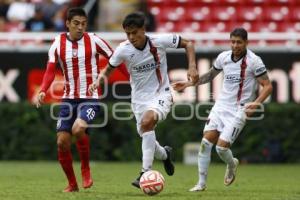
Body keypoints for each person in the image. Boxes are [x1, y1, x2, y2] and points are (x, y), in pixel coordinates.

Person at [88, 12, 199, 188]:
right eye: (128, 34)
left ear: (143, 29)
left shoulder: (159, 41)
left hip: (161, 94)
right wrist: (98, 81)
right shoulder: (123, 49)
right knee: (147, 134)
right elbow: (109, 69)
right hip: (138, 100)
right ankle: (164, 154)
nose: (131, 37)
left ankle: (144, 173)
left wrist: (192, 66)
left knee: (148, 122)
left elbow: (188, 43)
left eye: (134, 33)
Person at [172, 28, 273, 192]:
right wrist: (189, 84)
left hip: (239, 110)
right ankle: (201, 184)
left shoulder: (254, 61)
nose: (235, 45)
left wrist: (256, 103)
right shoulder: (223, 57)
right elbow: (210, 76)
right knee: (205, 143)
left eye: (239, 42)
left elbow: (268, 86)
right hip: (220, 106)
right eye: (232, 41)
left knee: (221, 148)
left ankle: (232, 164)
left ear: (246, 42)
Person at [35, 7, 115, 192]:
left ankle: (86, 168)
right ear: (68, 24)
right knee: (62, 141)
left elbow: (116, 58)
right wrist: (43, 90)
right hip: (68, 99)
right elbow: (50, 69)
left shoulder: (94, 40)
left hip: (90, 97)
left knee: (78, 128)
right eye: (76, 23)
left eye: (84, 24)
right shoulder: (58, 42)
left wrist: (131, 80)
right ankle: (72, 184)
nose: (80, 27)